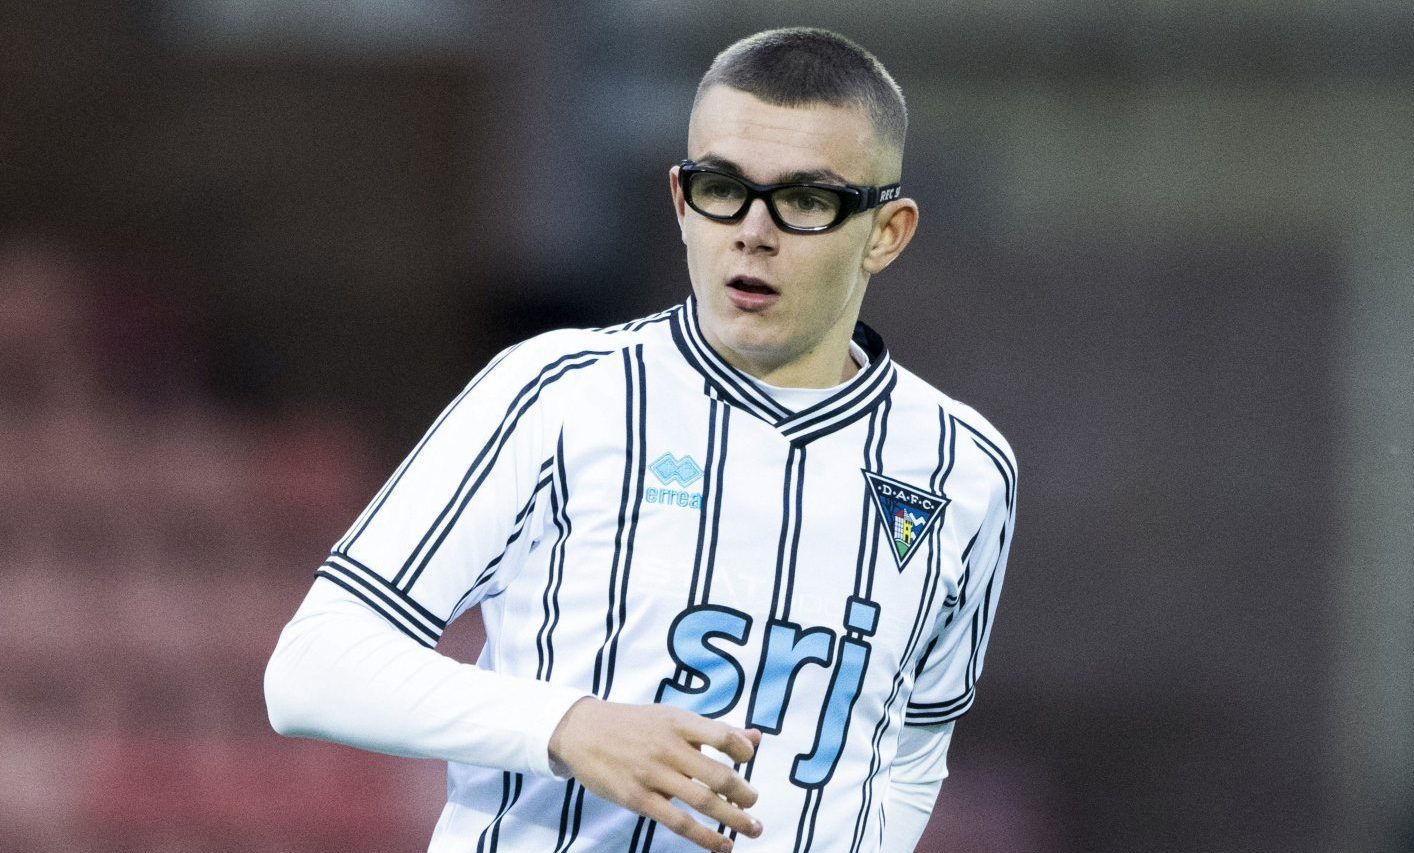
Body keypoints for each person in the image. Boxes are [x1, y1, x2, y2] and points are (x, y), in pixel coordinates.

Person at [264, 26, 1017, 853]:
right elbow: (311, 667)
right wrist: (566, 724)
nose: (752, 230)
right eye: (722, 188)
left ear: (887, 231)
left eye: (805, 200)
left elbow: (909, 747)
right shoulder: (557, 393)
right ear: (680, 202)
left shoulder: (964, 468)